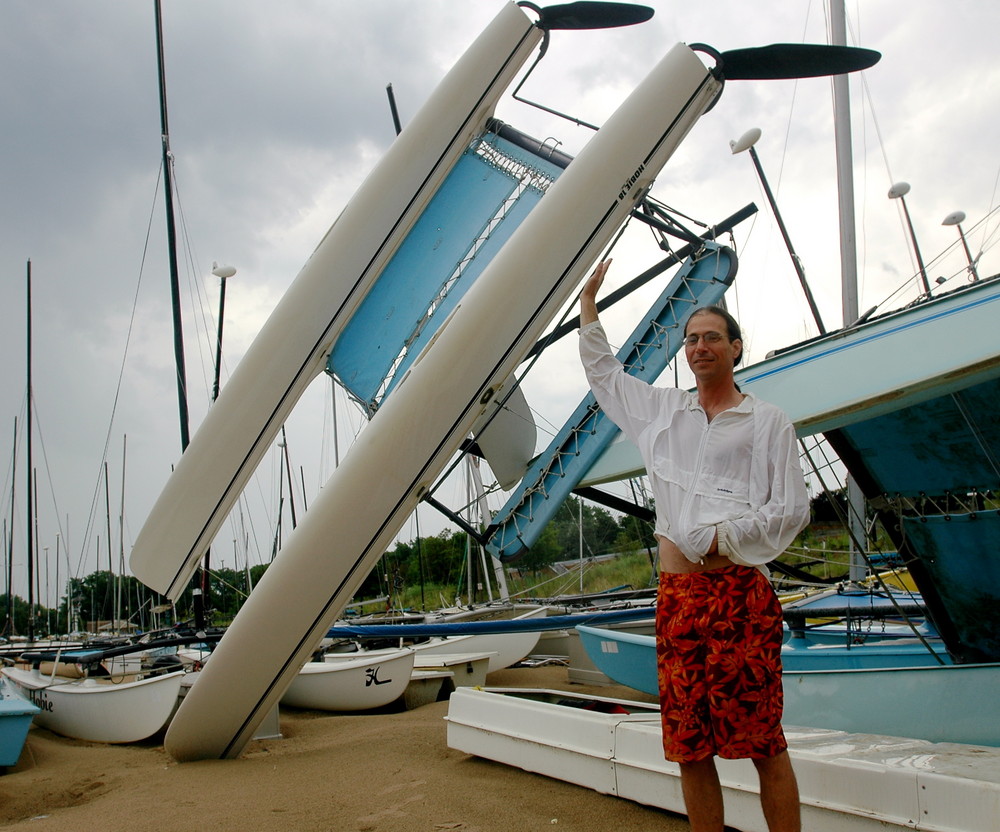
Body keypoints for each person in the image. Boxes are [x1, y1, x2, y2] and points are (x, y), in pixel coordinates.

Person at [578, 259, 810, 832]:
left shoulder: (767, 422)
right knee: (689, 745)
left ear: (735, 347)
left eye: (711, 338)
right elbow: (605, 375)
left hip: (738, 597)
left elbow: (791, 510)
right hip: (678, 599)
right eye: (691, 339)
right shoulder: (662, 414)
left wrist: (719, 536)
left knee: (762, 741)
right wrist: (588, 307)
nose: (699, 346)